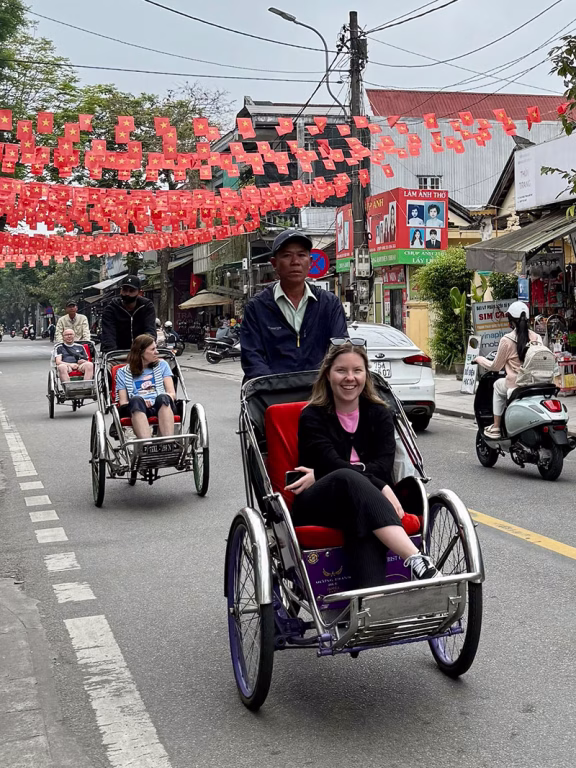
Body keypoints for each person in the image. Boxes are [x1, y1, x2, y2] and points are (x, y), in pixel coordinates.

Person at [287, 340, 438, 586]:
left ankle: (371, 606)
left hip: (365, 505)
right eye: (341, 371)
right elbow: (332, 463)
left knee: (361, 517)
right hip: (319, 502)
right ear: (327, 374)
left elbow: (383, 463)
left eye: (357, 370)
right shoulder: (312, 416)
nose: (350, 378)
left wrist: (326, 472)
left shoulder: (380, 414)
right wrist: (382, 486)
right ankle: (415, 558)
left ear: (366, 375)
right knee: (347, 479)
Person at [240, 230, 348, 380]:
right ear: (274, 264)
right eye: (286, 255)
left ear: (310, 262)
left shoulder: (329, 304)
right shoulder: (257, 307)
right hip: (271, 395)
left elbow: (340, 349)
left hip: (320, 395)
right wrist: (276, 389)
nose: (295, 261)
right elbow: (252, 357)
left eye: (301, 255)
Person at [474, 301, 541, 439]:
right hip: (537, 383)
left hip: (517, 384)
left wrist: (479, 359)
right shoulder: (537, 337)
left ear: (510, 320)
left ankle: (497, 427)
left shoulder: (507, 340)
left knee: (497, 385)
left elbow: (495, 367)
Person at [115, 334, 176, 439]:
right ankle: (146, 444)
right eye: (152, 349)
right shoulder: (122, 372)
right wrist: (142, 401)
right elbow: (123, 402)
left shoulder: (163, 365)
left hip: (161, 404)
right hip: (137, 407)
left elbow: (172, 394)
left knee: (163, 397)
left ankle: (168, 441)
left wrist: (153, 401)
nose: (157, 352)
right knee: (136, 400)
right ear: (141, 352)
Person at [100, 275, 156, 353]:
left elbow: (150, 331)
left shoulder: (147, 306)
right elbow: (108, 335)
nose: (127, 294)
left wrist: (145, 350)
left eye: (131, 291)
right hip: (117, 354)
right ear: (120, 291)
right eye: (125, 290)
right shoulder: (111, 309)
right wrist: (111, 354)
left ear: (140, 293)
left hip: (142, 353)